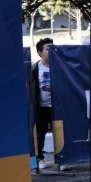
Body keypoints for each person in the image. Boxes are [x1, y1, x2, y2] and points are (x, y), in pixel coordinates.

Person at [32, 37, 55, 170]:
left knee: (60, 133)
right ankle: (39, 159)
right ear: (40, 52)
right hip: (41, 107)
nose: (51, 50)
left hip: (56, 107)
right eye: (48, 48)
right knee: (40, 134)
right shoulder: (35, 69)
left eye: (53, 47)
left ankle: (61, 160)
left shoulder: (59, 66)